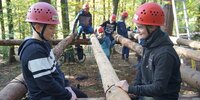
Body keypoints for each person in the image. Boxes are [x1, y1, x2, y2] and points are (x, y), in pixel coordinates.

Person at [18, 2, 87, 100]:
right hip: (45, 96)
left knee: (83, 96)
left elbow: (56, 69)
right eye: (51, 27)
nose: (54, 31)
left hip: (55, 91)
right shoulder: (34, 51)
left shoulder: (44, 44)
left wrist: (67, 86)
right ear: (37, 27)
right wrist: (67, 95)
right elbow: (46, 83)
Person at [115, 2, 182, 100]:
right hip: (148, 95)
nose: (137, 30)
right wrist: (133, 90)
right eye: (137, 27)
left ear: (152, 27)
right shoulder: (149, 45)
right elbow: (141, 71)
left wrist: (130, 88)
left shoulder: (165, 54)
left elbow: (158, 88)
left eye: (140, 27)